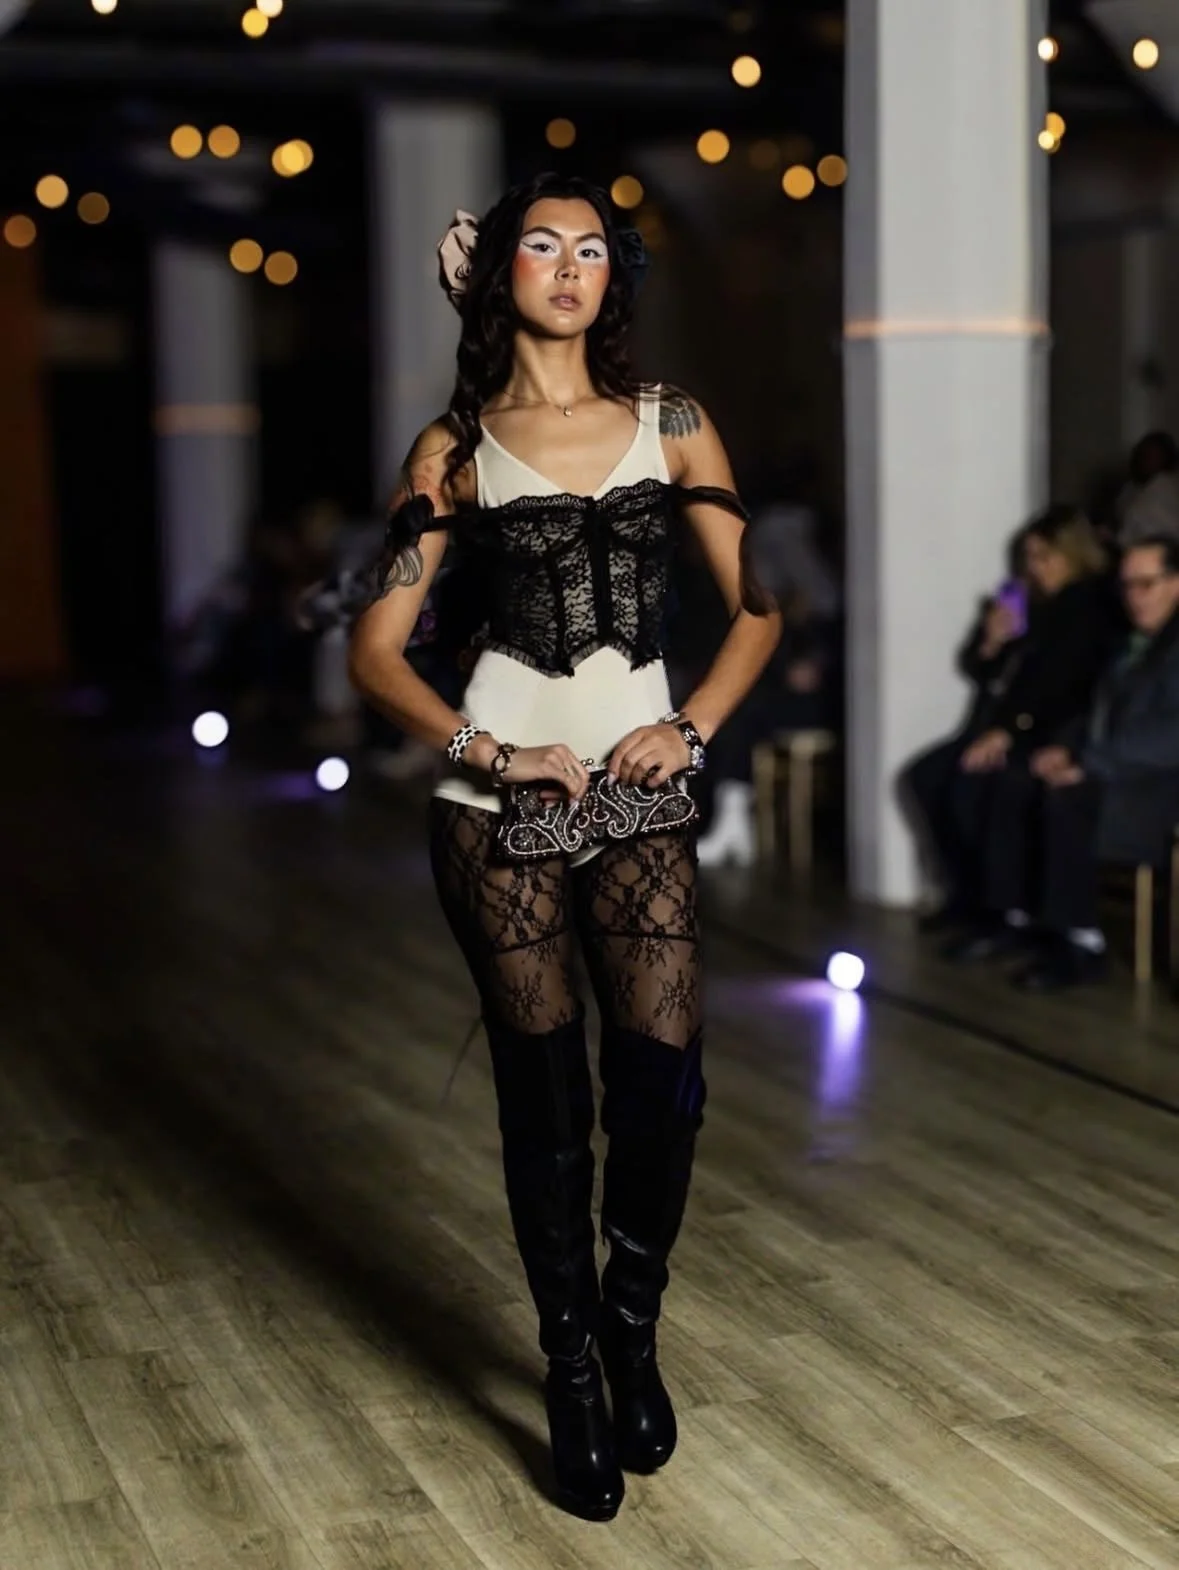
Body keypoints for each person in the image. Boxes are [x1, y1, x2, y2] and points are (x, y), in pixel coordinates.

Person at [348, 175, 781, 1522]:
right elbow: (375, 652)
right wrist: (490, 755)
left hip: (641, 793)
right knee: (546, 1104)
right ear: (496, 278)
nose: (567, 265)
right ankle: (572, 1365)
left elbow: (756, 608)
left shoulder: (676, 424)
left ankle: (630, 1315)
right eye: (538, 245)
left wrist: (693, 726)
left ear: (615, 279)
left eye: (590, 248)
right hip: (500, 808)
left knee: (660, 1078)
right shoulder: (452, 448)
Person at [904, 506, 1119, 940]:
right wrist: (993, 640)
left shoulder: (1087, 605)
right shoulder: (1034, 604)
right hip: (1001, 725)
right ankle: (965, 896)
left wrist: (1010, 728)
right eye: (1031, 558)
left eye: (1046, 556)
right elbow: (982, 670)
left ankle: (999, 910)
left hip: (1047, 730)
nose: (1036, 568)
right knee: (927, 777)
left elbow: (1060, 683)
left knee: (975, 788)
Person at [975, 536, 1179, 991]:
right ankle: (1015, 916)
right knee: (1017, 778)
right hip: (1122, 768)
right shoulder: (1134, 643)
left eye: (1146, 584)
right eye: (1128, 586)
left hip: (1160, 786)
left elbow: (1169, 737)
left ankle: (1081, 940)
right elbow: (1099, 714)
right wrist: (1066, 749)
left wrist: (1087, 761)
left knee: (1067, 797)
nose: (1135, 597)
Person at [1117, 431, 1179, 546]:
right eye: (1142, 455)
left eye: (1151, 456)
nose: (1144, 461)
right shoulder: (1131, 489)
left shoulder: (1165, 492)